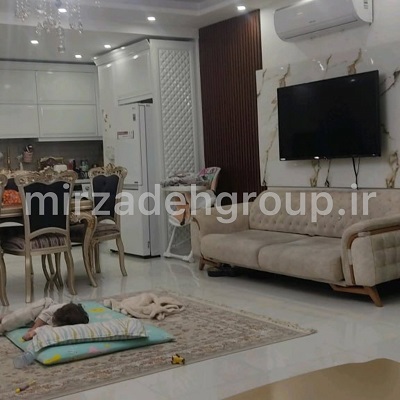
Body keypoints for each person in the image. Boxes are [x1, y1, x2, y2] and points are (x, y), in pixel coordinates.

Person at [0, 297, 89, 340]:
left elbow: (46, 328)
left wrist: (32, 333)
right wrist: (34, 328)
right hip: (43, 307)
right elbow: (45, 314)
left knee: (22, 323)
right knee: (20, 316)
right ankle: (2, 326)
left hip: (44, 321)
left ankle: (5, 317)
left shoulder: (64, 326)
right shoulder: (60, 307)